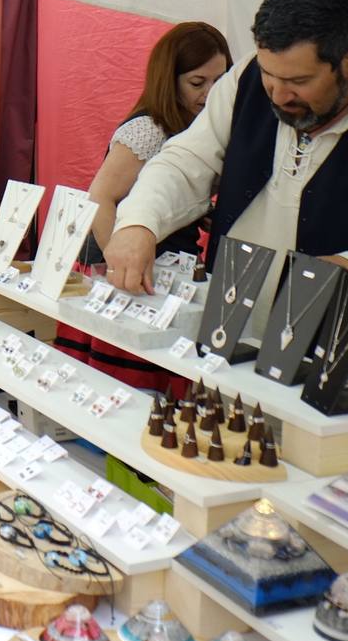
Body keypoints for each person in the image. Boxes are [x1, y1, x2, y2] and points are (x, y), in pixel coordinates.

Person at [105, 0, 348, 390]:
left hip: (347, 380)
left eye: (299, 82)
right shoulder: (245, 80)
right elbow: (184, 161)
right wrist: (139, 221)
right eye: (270, 75)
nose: (278, 96)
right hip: (228, 352)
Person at [52, 23, 232, 390]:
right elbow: (100, 196)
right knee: (121, 378)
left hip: (161, 262)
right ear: (170, 79)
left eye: (221, 82)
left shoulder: (199, 127)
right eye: (197, 83)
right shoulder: (150, 129)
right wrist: (119, 266)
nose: (210, 94)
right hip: (123, 263)